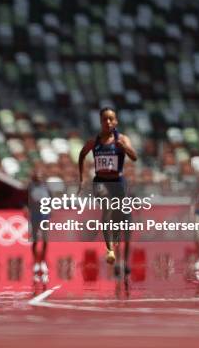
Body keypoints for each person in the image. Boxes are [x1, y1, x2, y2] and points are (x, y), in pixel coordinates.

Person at [78, 107, 138, 277]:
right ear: (100, 121)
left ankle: (123, 261)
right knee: (107, 206)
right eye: (105, 119)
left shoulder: (122, 139)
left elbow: (134, 157)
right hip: (101, 182)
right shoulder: (94, 141)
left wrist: (124, 148)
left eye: (111, 119)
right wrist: (81, 177)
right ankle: (110, 251)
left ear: (116, 121)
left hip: (118, 183)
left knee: (124, 226)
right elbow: (82, 155)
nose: (108, 122)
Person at [27, 169, 50, 285]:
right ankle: (36, 262)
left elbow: (52, 200)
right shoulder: (30, 187)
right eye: (37, 176)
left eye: (41, 176)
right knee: (35, 239)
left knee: (45, 239)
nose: (39, 178)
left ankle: (43, 261)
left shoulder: (46, 187)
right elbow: (24, 201)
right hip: (34, 216)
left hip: (45, 215)